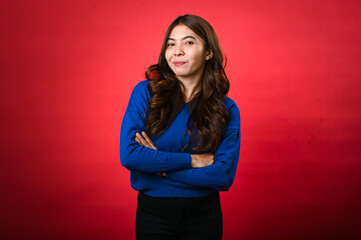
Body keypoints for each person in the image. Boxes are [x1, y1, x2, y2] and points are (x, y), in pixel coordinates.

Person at [119, 14, 241, 240]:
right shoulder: (146, 93)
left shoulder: (226, 108)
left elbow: (222, 176)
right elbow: (130, 155)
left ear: (208, 52)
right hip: (153, 213)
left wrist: (159, 167)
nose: (177, 52)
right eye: (171, 44)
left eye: (188, 42)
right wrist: (192, 161)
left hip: (204, 216)